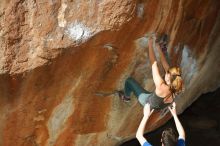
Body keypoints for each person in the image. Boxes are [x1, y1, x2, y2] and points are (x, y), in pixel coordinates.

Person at [118, 34, 183, 110]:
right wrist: (158, 48)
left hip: (149, 102)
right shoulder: (177, 82)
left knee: (129, 81)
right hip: (162, 102)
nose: (167, 72)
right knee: (168, 65)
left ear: (168, 80)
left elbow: (153, 63)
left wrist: (150, 44)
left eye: (167, 74)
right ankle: (163, 48)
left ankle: (126, 97)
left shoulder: (161, 86)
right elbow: (166, 66)